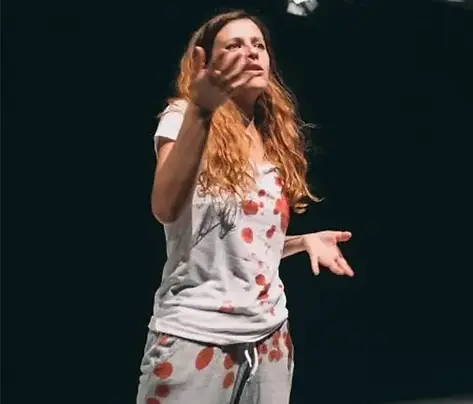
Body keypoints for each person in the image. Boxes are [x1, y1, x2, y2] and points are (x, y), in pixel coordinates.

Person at [136, 9, 354, 404]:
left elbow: (236, 242)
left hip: (270, 338)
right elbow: (165, 207)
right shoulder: (184, 117)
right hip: (196, 337)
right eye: (234, 45)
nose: (251, 52)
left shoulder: (271, 133)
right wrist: (202, 111)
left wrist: (301, 241)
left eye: (258, 45)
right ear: (206, 63)